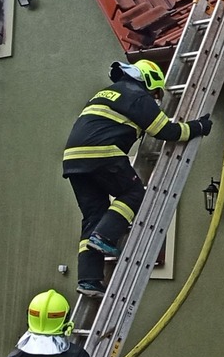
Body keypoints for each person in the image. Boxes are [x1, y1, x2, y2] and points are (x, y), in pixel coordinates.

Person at [63, 59, 212, 294]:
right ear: (148, 80)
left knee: (93, 215)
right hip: (103, 152)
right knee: (133, 193)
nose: (155, 98)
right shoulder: (138, 96)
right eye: (155, 92)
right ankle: (104, 236)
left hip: (74, 159)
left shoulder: (108, 92)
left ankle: (88, 280)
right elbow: (166, 131)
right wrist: (199, 127)